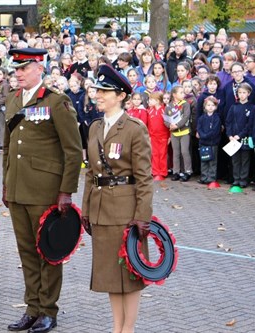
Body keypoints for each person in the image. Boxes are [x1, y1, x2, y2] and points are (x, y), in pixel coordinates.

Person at [2, 48, 82, 333]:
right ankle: (32, 307)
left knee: (48, 251)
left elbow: (73, 152)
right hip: (18, 189)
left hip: (46, 191)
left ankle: (48, 310)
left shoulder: (56, 102)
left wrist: (66, 191)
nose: (18, 73)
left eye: (24, 68)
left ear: (39, 68)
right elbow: (9, 148)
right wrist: (5, 183)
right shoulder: (13, 99)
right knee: (26, 252)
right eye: (16, 69)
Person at [81, 64, 153, 333]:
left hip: (126, 210)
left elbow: (144, 178)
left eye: (104, 91)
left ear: (121, 95)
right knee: (111, 274)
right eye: (97, 90)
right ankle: (116, 328)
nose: (98, 95)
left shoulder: (134, 128)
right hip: (100, 209)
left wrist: (142, 217)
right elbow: (90, 172)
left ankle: (128, 329)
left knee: (131, 272)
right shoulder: (95, 127)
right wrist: (85, 209)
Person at [225, 83, 253, 188]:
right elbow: (228, 122)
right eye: (240, 92)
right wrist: (230, 135)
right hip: (233, 139)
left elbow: (249, 124)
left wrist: (240, 135)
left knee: (245, 159)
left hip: (244, 138)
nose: (241, 95)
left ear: (248, 93)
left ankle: (243, 179)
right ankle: (236, 179)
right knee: (235, 160)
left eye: (244, 93)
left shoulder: (251, 107)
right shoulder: (233, 107)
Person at [165, 85, 193, 182]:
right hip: (174, 133)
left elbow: (186, 117)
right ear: (174, 95)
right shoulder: (169, 106)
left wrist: (177, 125)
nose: (183, 94)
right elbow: (165, 119)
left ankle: (188, 171)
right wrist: (170, 125)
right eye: (181, 92)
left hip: (184, 131)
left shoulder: (185, 104)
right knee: (176, 153)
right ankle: (176, 172)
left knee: (184, 152)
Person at [196, 96, 222, 184]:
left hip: (213, 143)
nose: (210, 107)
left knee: (212, 161)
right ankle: (204, 177)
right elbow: (199, 128)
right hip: (203, 143)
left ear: (215, 107)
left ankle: (211, 178)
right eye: (208, 105)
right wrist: (202, 135)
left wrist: (206, 136)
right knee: (204, 160)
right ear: (205, 107)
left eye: (212, 105)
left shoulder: (216, 118)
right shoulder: (202, 118)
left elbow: (215, 131)